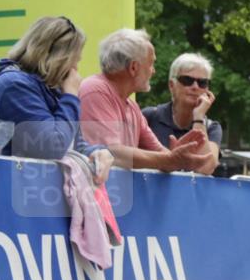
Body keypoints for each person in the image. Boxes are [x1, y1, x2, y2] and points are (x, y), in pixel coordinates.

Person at [0, 16, 112, 183]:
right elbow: (53, 147)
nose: (76, 69)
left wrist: (97, 153)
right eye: (74, 61)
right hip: (5, 195)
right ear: (58, 58)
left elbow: (74, 145)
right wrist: (71, 96)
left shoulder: (52, 90)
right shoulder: (14, 85)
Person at [79, 29, 209, 173]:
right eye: (151, 63)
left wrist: (177, 156)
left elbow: (164, 157)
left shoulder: (132, 107)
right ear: (134, 67)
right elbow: (112, 152)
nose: (153, 71)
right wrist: (171, 159)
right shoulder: (95, 89)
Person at [141, 53, 222, 175]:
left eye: (202, 83)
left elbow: (205, 168)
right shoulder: (149, 117)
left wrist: (199, 118)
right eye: (187, 80)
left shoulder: (211, 127)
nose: (195, 87)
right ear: (171, 85)